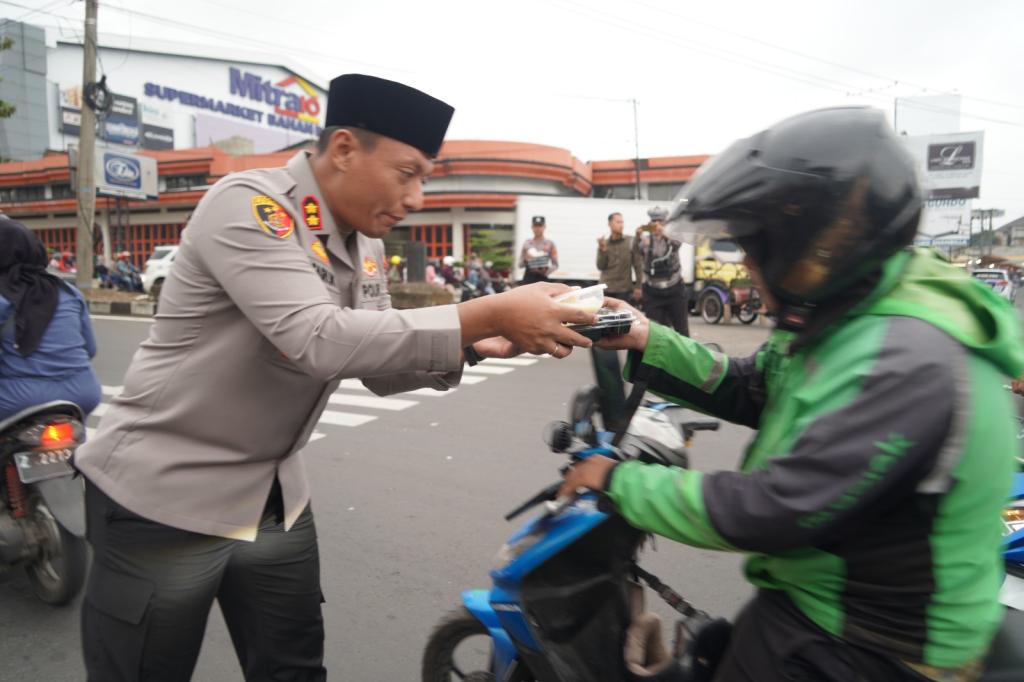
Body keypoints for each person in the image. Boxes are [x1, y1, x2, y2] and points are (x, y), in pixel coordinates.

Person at [75, 73, 595, 682]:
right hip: (164, 497)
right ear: (344, 149)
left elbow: (374, 364)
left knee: (294, 671)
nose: (419, 197)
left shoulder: (363, 244)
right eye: (408, 173)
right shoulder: (251, 205)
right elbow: (315, 338)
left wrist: (476, 343)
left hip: (273, 497)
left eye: (425, 177)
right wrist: (485, 310)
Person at [561, 107, 1024, 681]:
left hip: (873, 644)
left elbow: (774, 508)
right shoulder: (851, 312)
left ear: (814, 245)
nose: (748, 265)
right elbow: (755, 386)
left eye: (756, 248)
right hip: (822, 604)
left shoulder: (908, 357)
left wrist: (618, 481)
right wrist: (647, 336)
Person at [0, 218, 101, 421]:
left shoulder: (3, 297)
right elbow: (90, 349)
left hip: (21, 398)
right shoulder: (69, 292)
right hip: (83, 393)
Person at [593, 211, 645, 430]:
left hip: (623, 291)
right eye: (617, 221)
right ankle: (612, 371)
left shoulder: (630, 242)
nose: (621, 224)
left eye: (623, 221)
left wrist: (639, 285)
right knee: (605, 337)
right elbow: (600, 265)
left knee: (629, 331)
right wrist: (602, 250)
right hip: (606, 290)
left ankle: (632, 370)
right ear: (609, 223)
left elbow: (637, 264)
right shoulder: (604, 242)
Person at [634, 206, 689, 336]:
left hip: (674, 290)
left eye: (660, 221)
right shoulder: (646, 240)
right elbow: (636, 252)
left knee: (682, 331)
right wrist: (638, 237)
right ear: (650, 223)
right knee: (656, 333)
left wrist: (664, 232)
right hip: (653, 292)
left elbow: (678, 243)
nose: (657, 224)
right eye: (654, 222)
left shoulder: (672, 237)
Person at [519, 215, 558, 284]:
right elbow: (520, 265)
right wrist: (526, 260)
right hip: (528, 278)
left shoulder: (550, 244)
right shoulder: (527, 243)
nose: (537, 228)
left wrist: (546, 272)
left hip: (542, 278)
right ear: (532, 227)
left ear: (544, 227)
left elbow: (555, 264)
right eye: (535, 226)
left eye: (540, 226)